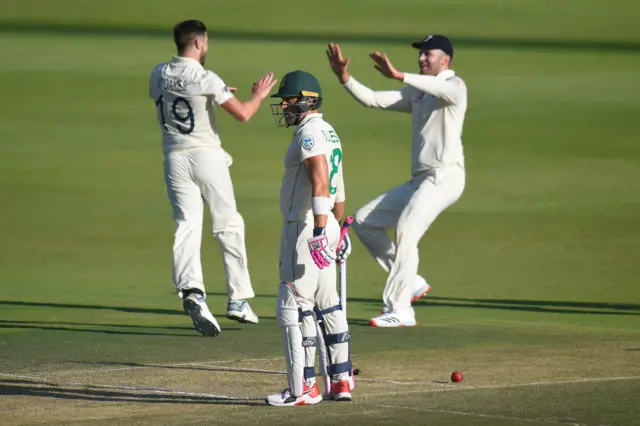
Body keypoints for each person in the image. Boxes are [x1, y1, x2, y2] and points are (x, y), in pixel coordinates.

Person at [326, 35, 468, 327]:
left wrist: (400, 75)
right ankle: (411, 280)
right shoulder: (418, 94)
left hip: (445, 176)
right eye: (420, 54)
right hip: (421, 180)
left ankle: (401, 308)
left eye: (429, 54)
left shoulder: (455, 86)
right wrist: (345, 78)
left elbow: (440, 88)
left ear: (446, 60)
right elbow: (374, 100)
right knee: (364, 221)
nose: (422, 58)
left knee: (406, 229)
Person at [148, 19, 277, 337]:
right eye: (206, 42)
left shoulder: (158, 74)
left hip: (174, 159)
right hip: (206, 157)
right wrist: (258, 96)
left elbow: (176, 99)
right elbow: (244, 113)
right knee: (228, 224)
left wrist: (216, 93)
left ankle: (192, 291)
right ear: (199, 44)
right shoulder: (206, 78)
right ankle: (238, 301)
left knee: (187, 224)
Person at [265, 70, 354, 406]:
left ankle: (303, 389)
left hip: (305, 226)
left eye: (287, 100)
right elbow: (337, 186)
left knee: (293, 304)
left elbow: (320, 179)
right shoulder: (329, 131)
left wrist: (318, 230)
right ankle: (341, 381)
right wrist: (338, 228)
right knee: (328, 302)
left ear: (305, 100)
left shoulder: (309, 133)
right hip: (326, 222)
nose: (284, 106)